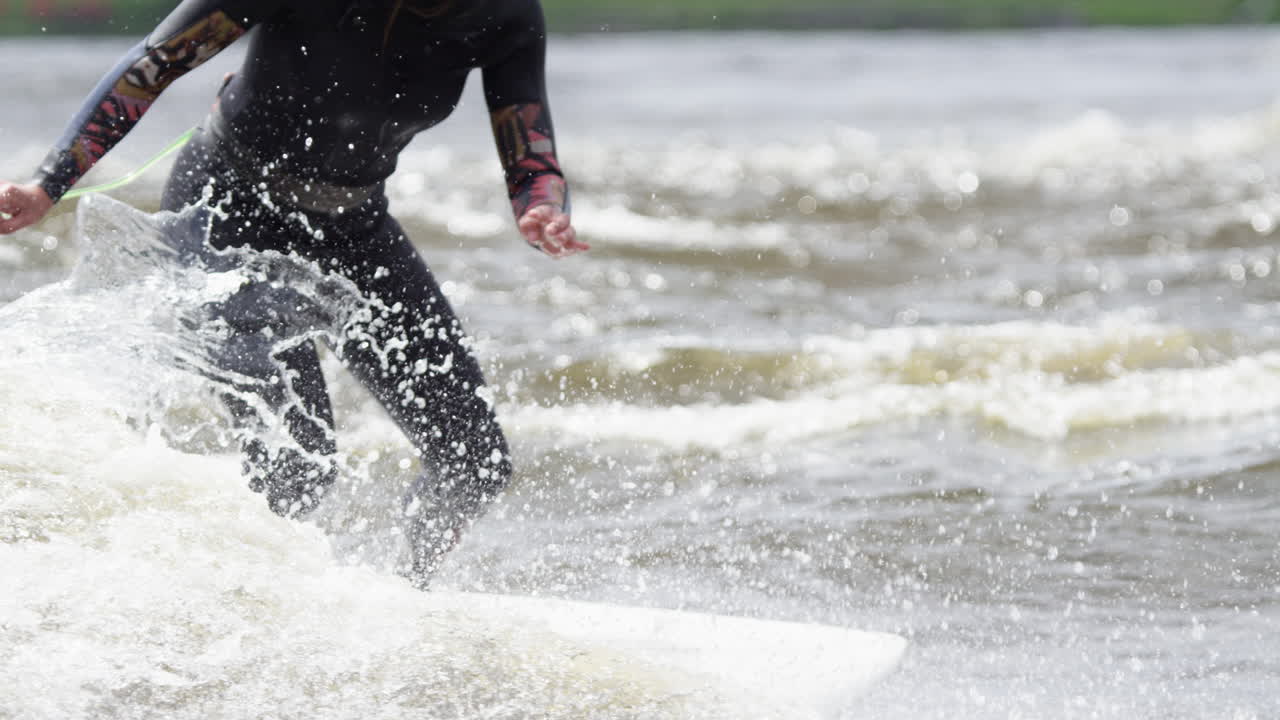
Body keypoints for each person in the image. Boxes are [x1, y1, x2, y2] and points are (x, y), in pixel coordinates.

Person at [0, 0, 588, 588]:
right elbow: (155, 63)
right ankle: (228, 606)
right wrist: (48, 184)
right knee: (299, 462)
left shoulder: (504, 14)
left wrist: (541, 206)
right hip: (225, 214)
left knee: (472, 458)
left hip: (354, 228)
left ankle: (411, 600)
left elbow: (531, 154)